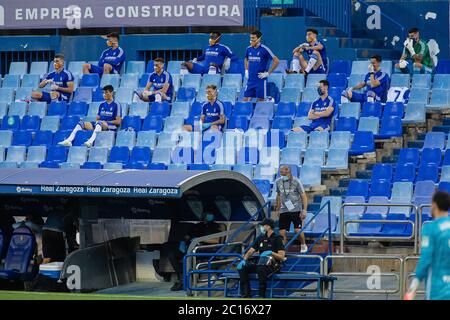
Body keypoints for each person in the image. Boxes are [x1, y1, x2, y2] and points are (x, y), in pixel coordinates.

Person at [404, 191, 450, 300]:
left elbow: (425, 260)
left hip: (437, 290)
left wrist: (412, 290)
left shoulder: (430, 229)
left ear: (434, 205)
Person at [166, 213, 223, 291]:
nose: (208, 216)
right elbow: (188, 236)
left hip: (205, 249)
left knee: (187, 257)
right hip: (190, 248)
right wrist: (185, 240)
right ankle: (181, 277)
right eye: (207, 214)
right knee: (172, 254)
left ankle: (184, 281)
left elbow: (216, 240)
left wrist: (199, 239)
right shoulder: (197, 226)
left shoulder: (215, 226)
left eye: (210, 214)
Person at [237, 218, 285, 298]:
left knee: (261, 268)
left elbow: (282, 257)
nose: (262, 227)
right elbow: (250, 251)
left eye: (263, 225)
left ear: (268, 226)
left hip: (272, 266)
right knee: (243, 267)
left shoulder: (277, 239)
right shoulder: (260, 238)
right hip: (260, 263)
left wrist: (271, 253)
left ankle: (261, 295)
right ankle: (245, 294)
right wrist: (244, 259)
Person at [274, 165, 308, 253]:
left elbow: (303, 195)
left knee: (297, 230)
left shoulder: (296, 181)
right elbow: (278, 195)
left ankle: (303, 244)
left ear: (289, 172)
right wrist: (277, 208)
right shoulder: (278, 181)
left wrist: (304, 209)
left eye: (284, 173)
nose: (282, 175)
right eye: (281, 173)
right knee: (282, 232)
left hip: (296, 209)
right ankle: (283, 249)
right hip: (283, 209)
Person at [243, 30, 280, 102]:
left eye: (253, 38)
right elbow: (246, 59)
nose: (251, 40)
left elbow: (276, 61)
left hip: (260, 79)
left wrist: (268, 73)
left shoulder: (265, 49)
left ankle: (259, 113)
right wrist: (246, 70)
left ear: (259, 38)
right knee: (245, 99)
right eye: (250, 38)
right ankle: (246, 113)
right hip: (250, 79)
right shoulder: (248, 49)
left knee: (261, 100)